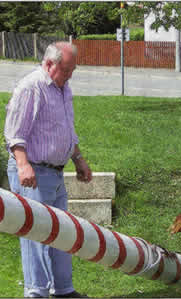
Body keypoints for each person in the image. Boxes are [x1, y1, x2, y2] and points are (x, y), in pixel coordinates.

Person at [4, 42, 92, 298]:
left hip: (54, 173)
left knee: (61, 231)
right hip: (33, 173)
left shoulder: (64, 89)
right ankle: (36, 292)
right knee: (37, 233)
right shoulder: (31, 87)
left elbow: (67, 130)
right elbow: (14, 134)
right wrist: (23, 165)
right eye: (66, 70)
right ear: (49, 64)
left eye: (72, 70)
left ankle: (63, 290)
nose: (70, 75)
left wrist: (78, 159)